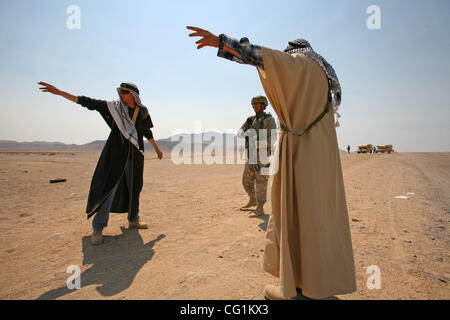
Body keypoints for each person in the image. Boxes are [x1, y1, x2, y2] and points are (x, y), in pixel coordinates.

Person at [187, 26, 356, 300]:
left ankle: (298, 289)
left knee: (294, 214)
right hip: (323, 155)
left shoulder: (300, 64)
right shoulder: (323, 76)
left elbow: (263, 57)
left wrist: (222, 42)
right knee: (318, 216)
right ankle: (318, 285)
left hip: (300, 152)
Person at [38, 82, 163, 245]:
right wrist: (61, 92)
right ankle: (98, 228)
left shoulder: (142, 111)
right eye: (121, 92)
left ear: (133, 94)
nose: (121, 95)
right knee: (109, 189)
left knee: (135, 187)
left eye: (125, 92)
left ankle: (133, 219)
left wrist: (157, 149)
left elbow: (147, 131)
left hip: (135, 156)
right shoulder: (114, 107)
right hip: (116, 156)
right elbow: (88, 102)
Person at [238, 95, 277, 217]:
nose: (255, 107)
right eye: (254, 105)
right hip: (252, 155)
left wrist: (258, 144)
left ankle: (260, 208)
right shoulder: (251, 120)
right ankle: (252, 200)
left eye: (258, 105)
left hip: (263, 155)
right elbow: (239, 133)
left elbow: (274, 138)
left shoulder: (269, 120)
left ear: (264, 106)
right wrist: (246, 130)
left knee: (261, 181)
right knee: (246, 180)